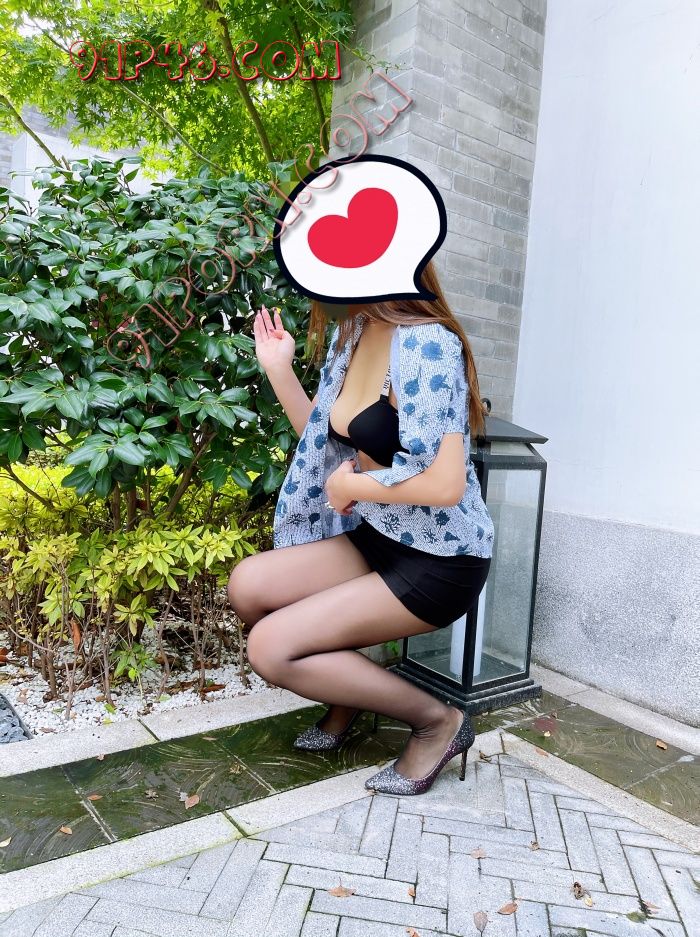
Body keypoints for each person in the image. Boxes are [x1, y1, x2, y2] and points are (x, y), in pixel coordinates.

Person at [227, 260, 494, 795]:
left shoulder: (428, 344)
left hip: (438, 560)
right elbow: (324, 440)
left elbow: (445, 483)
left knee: (270, 649)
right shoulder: (351, 335)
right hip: (377, 536)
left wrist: (356, 486)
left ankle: (438, 722)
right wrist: (278, 369)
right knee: (249, 585)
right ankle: (346, 695)